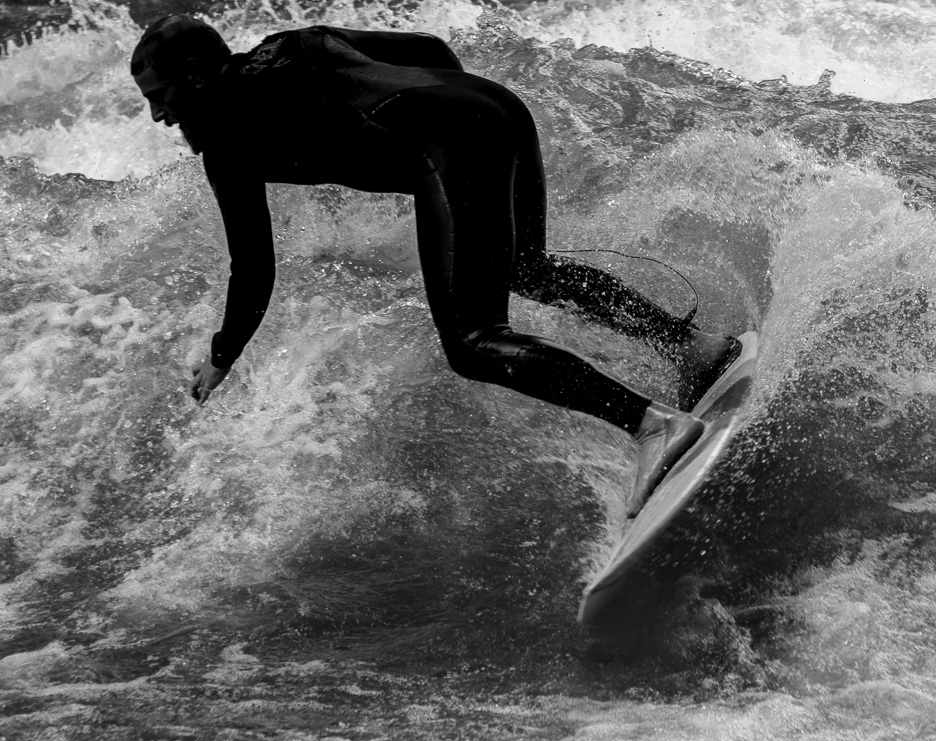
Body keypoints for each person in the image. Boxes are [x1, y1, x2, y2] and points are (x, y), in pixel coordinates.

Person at [130, 15, 742, 516]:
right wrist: (449, 113)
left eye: (160, 97)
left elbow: (255, 271)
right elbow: (430, 48)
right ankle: (691, 345)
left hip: (450, 146)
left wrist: (221, 356)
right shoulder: (296, 41)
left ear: (196, 73)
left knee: (473, 343)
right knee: (525, 269)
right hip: (496, 108)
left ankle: (652, 425)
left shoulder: (229, 142)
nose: (159, 116)